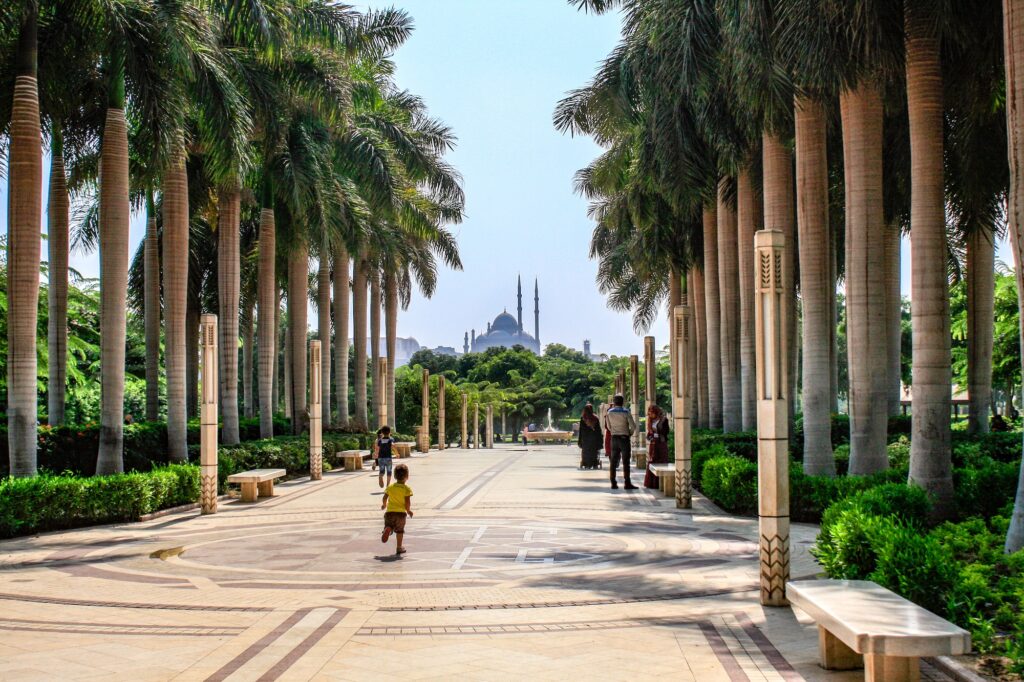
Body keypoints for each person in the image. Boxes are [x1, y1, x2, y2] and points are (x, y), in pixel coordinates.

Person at [603, 394, 637, 489]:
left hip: (614, 439)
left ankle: (613, 482)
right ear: (623, 402)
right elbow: (633, 426)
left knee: (613, 461)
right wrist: (628, 433)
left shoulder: (609, 412)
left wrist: (614, 431)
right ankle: (627, 483)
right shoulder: (626, 412)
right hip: (624, 439)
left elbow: (609, 427)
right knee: (626, 461)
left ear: (614, 403)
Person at [381, 463, 413, 555]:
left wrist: (384, 505)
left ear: (394, 476)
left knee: (389, 525)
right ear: (407, 476)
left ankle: (388, 529)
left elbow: (384, 498)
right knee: (399, 531)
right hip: (400, 514)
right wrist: (408, 510)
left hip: (389, 513)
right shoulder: (407, 489)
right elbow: (407, 502)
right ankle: (399, 547)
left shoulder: (390, 487)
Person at [643, 405, 670, 488]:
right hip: (653, 444)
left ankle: (662, 484)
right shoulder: (650, 421)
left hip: (661, 443)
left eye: (651, 413)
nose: (650, 415)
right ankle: (652, 484)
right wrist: (651, 436)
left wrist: (658, 434)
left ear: (656, 412)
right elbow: (649, 434)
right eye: (649, 413)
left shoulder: (664, 420)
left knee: (662, 461)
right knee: (652, 461)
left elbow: (666, 431)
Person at [578, 404, 602, 469]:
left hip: (585, 439)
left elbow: (581, 431)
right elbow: (598, 430)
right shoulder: (595, 418)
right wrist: (600, 440)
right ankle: (594, 463)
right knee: (594, 452)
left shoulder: (583, 419)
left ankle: (586, 463)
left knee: (586, 451)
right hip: (594, 439)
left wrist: (579, 441)